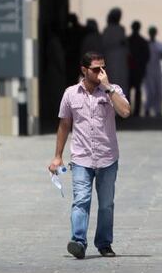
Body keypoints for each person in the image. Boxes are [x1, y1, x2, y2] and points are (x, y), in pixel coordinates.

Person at [49, 52, 131, 259]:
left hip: (107, 157)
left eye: (103, 68)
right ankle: (78, 241)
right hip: (81, 158)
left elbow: (125, 112)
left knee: (106, 204)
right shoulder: (70, 94)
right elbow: (64, 125)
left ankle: (104, 243)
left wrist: (108, 87)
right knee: (81, 200)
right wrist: (57, 156)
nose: (101, 73)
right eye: (96, 69)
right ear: (84, 70)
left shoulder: (113, 90)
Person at [101, 8, 129, 91]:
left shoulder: (120, 29)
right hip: (111, 60)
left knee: (120, 81)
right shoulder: (108, 30)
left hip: (120, 60)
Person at [127, 20, 150, 118]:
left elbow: (146, 56)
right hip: (136, 69)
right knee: (136, 90)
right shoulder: (142, 41)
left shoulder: (128, 40)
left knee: (129, 90)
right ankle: (135, 111)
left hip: (131, 69)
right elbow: (147, 56)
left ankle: (131, 111)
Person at [144, 26, 162, 117]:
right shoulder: (145, 45)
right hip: (148, 71)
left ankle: (158, 110)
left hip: (157, 70)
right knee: (150, 91)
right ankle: (147, 109)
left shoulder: (160, 45)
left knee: (158, 91)